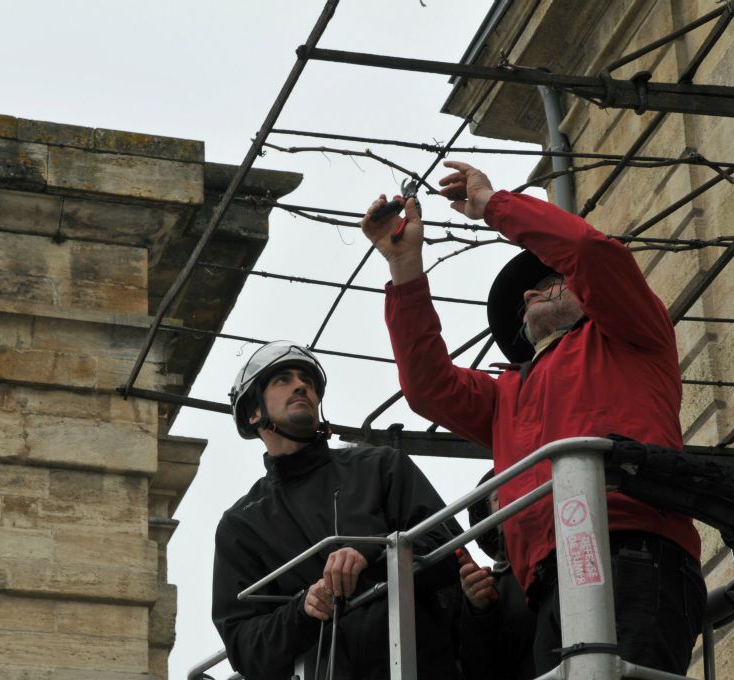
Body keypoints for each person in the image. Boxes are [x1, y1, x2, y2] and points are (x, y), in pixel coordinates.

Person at [361, 161, 706, 676]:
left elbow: (589, 252)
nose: (529, 293)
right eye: (529, 294)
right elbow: (426, 386)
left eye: (550, 282)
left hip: (634, 549)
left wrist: (492, 205)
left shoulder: (629, 335)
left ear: (588, 295)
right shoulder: (507, 393)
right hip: (546, 578)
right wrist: (405, 265)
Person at [211, 341, 461, 680]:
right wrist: (303, 609)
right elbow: (245, 646)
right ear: (254, 413)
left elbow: (450, 551)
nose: (301, 385)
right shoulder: (242, 525)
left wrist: (371, 552)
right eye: (283, 379)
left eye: (307, 381)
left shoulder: (382, 466)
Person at [457, 470, 535, 680]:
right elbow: (482, 669)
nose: (511, 498)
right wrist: (481, 611)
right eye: (498, 496)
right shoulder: (495, 587)